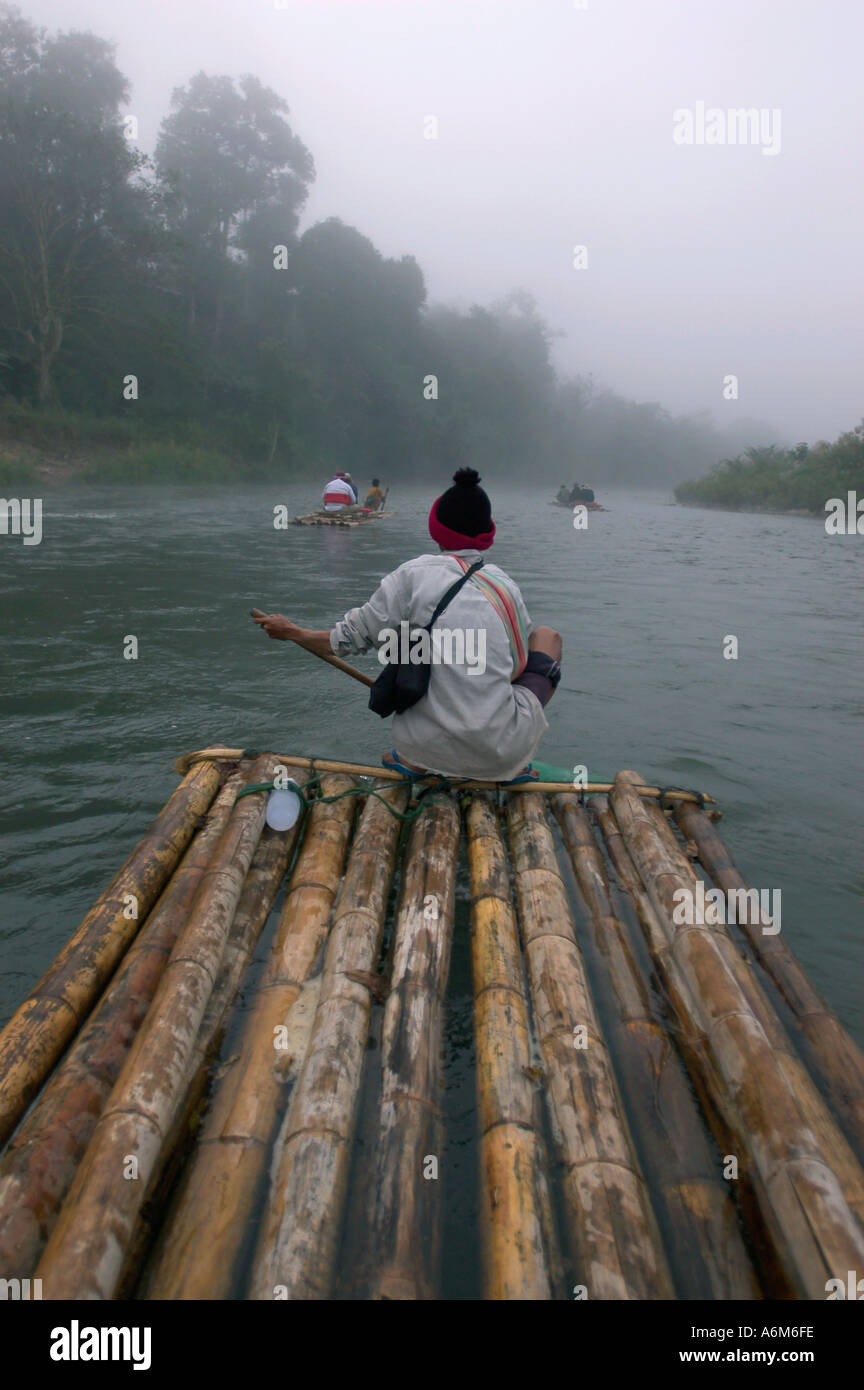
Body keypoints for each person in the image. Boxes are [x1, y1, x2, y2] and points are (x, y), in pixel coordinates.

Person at [254, 468, 562, 782]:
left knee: (408, 643)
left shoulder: (411, 576)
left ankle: (418, 758)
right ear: (487, 533)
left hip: (422, 749)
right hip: (503, 754)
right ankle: (502, 753)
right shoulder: (504, 585)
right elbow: (517, 668)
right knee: (547, 637)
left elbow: (344, 641)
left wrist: (292, 632)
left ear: (436, 529)